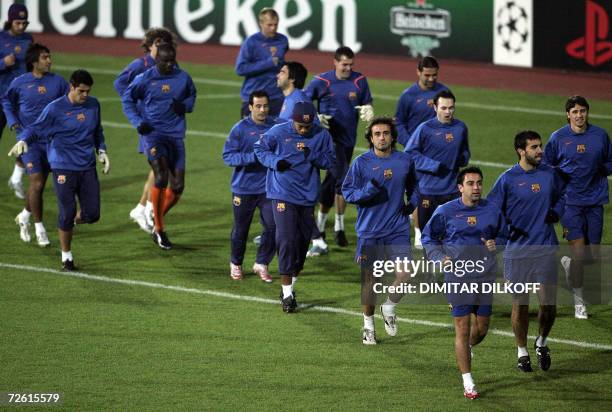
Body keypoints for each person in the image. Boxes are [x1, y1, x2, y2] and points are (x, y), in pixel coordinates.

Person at [8, 69, 110, 271]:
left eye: (88, 91)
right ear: (71, 87)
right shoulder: (55, 109)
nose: (85, 95)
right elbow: (36, 128)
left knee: (92, 214)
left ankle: (67, 224)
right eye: (81, 91)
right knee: (67, 210)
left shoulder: (93, 104)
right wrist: (23, 140)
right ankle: (67, 257)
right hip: (63, 165)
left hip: (87, 165)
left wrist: (102, 150)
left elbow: (97, 130)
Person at [422, 166, 504, 399]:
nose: (476, 187)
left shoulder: (492, 210)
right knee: (462, 327)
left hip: (485, 275)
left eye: (479, 183)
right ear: (460, 187)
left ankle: (466, 350)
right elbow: (429, 238)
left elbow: (504, 236)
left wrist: (496, 243)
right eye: (470, 183)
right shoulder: (445, 211)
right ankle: (468, 382)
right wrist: (439, 257)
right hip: (457, 277)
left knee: (482, 329)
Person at [488, 130, 565, 373]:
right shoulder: (507, 179)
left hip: (545, 247)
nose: (540, 151)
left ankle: (542, 342)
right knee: (520, 304)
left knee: (548, 303)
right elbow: (492, 212)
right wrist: (499, 239)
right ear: (521, 151)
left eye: (540, 146)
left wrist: (558, 211)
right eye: (534, 147)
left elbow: (563, 195)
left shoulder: (550, 174)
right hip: (518, 252)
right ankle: (521, 350)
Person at [342, 117, 418, 345]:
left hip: (397, 229)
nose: (382, 137)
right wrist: (369, 189)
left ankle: (389, 306)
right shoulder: (361, 163)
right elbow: (348, 193)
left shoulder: (405, 161)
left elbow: (414, 186)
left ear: (393, 136)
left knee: (405, 274)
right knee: (371, 282)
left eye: (386, 133)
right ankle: (368, 326)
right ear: (371, 138)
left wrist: (412, 203)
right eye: (377, 134)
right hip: (370, 232)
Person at [254, 101, 335, 313]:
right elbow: (259, 148)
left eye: (308, 127)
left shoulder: (321, 135)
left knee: (300, 248)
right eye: (300, 126)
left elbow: (329, 162)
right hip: (282, 193)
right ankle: (288, 295)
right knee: (286, 239)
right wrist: (275, 162)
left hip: (307, 197)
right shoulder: (278, 132)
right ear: (293, 120)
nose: (304, 130)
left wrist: (312, 154)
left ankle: (289, 286)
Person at [121, 43, 196, 250]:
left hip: (175, 136)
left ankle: (156, 213)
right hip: (153, 135)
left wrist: (185, 106)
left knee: (178, 186)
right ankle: (160, 230)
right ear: (157, 60)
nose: (170, 64)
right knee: (161, 176)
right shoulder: (144, 79)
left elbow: (192, 96)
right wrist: (138, 122)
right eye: (165, 61)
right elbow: (127, 99)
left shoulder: (183, 77)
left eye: (172, 60)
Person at [543, 96, 612, 320]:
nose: (579, 115)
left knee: (591, 255)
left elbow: (610, 161)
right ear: (568, 114)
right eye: (575, 111)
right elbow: (547, 166)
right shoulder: (558, 138)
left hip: (595, 200)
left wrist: (601, 169)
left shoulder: (600, 135)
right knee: (580, 253)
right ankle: (579, 301)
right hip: (570, 202)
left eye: (583, 111)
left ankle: (569, 264)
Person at [305, 46, 373, 251]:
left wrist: (369, 108)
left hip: (348, 140)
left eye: (351, 64)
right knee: (343, 179)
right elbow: (304, 100)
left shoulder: (360, 80)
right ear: (334, 62)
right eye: (344, 64)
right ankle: (337, 228)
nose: (348, 68)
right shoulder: (322, 81)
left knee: (331, 182)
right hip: (327, 140)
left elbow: (366, 101)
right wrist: (315, 117)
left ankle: (323, 226)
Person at [3, 43, 69, 246]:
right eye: (45, 57)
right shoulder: (20, 82)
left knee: (39, 186)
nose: (49, 61)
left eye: (49, 57)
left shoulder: (58, 82)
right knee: (37, 182)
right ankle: (39, 227)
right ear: (33, 62)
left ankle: (24, 215)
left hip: (51, 141)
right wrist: (13, 121)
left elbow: (69, 102)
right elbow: (6, 101)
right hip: (28, 140)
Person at [114, 27, 176, 233]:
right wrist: (138, 102)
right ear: (151, 44)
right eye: (158, 42)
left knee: (158, 166)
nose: (161, 46)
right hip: (149, 124)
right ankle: (146, 207)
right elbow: (120, 83)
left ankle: (143, 207)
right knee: (160, 165)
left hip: (166, 123)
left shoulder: (169, 64)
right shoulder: (140, 65)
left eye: (165, 43)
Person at [223, 90, 281, 282]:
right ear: (250, 107)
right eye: (258, 106)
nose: (262, 110)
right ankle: (236, 263)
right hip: (243, 188)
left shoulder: (276, 126)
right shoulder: (239, 129)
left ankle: (261, 263)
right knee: (241, 229)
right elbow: (228, 156)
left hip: (268, 188)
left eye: (265, 106)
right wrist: (253, 157)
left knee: (273, 226)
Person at [405, 90, 470, 254]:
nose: (448, 112)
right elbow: (410, 153)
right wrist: (432, 165)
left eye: (451, 108)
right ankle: (431, 276)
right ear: (435, 108)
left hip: (453, 191)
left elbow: (465, 151)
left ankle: (451, 276)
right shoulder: (425, 129)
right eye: (444, 108)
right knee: (430, 240)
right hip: (429, 192)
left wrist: (463, 158)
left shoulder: (460, 127)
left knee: (453, 238)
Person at [395, 56, 450, 249]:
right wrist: (410, 142)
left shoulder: (443, 92)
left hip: (439, 152)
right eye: (427, 75)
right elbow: (399, 121)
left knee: (440, 191)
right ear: (418, 72)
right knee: (419, 190)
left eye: (434, 75)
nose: (431, 79)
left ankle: (438, 230)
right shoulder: (408, 95)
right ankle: (419, 232)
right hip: (416, 154)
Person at [1, 3, 33, 199]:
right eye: (18, 22)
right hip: (1, 96)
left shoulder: (29, 40)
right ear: (10, 21)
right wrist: (3, 63)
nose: (21, 26)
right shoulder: (0, 39)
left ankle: (16, 177)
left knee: (28, 137)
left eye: (24, 22)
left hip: (21, 99)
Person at [235, 7, 288, 118]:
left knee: (278, 134)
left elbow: (281, 63)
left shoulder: (282, 40)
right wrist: (268, 63)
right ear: (261, 23)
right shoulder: (251, 42)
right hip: (254, 97)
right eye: (269, 25)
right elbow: (240, 69)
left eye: (275, 24)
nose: (273, 28)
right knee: (252, 134)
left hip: (276, 97)